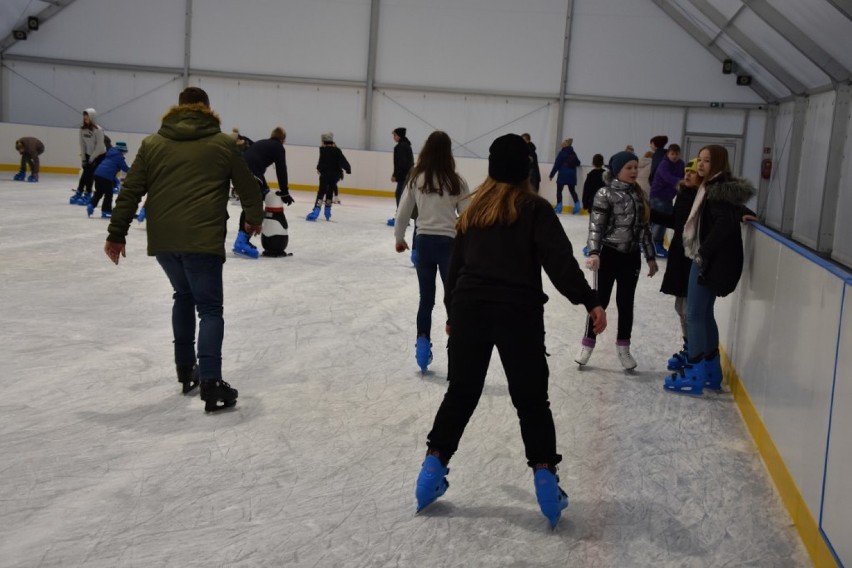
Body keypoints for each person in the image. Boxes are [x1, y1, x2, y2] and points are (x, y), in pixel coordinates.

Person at [414, 134, 606, 529]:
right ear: (525, 169)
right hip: (517, 313)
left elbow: (456, 268)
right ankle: (546, 481)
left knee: (461, 393)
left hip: (469, 308)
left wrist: (452, 312)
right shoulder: (533, 208)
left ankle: (430, 473)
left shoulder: (472, 210)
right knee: (532, 401)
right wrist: (590, 300)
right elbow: (560, 263)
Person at [103, 87, 264, 413]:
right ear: (207, 109)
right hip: (203, 240)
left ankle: (185, 369)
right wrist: (253, 220)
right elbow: (248, 186)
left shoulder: (152, 143)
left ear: (178, 109)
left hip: (164, 241)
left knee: (183, 295)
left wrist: (116, 233)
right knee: (209, 309)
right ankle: (210, 382)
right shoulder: (222, 144)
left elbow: (131, 190)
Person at [664, 145, 756, 396]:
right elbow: (730, 210)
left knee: (695, 314)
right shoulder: (714, 187)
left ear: (718, 164)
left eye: (707, 161)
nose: (701, 165)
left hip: (709, 261)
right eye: (700, 160)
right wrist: (743, 211)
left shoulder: (715, 189)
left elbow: (724, 221)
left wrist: (703, 252)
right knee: (704, 314)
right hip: (713, 260)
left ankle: (694, 370)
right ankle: (711, 370)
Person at [394, 131, 470, 374]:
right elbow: (467, 217)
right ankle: (456, 345)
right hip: (449, 245)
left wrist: (399, 238)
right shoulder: (456, 181)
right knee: (452, 297)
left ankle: (422, 345)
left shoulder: (418, 178)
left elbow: (403, 211)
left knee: (426, 299)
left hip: (423, 242)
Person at [576, 150, 658, 370]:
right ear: (617, 170)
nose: (633, 171)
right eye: (628, 167)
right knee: (599, 301)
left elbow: (645, 230)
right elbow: (596, 226)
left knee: (626, 303)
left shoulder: (640, 195)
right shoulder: (605, 193)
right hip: (608, 255)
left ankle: (624, 348)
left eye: (635, 167)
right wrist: (594, 253)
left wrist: (650, 257)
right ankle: (588, 344)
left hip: (631, 257)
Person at [649, 157, 701, 372]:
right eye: (686, 171)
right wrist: (649, 213)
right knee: (680, 307)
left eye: (692, 172)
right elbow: (676, 223)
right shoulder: (683, 196)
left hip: (692, 259)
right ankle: (689, 347)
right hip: (679, 257)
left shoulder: (703, 199)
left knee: (689, 310)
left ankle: (695, 353)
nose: (687, 174)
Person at [232, 126, 293, 258]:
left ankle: (243, 240)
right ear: (283, 140)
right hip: (249, 172)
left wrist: (264, 188)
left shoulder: (262, 143)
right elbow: (281, 169)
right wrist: (285, 192)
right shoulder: (278, 147)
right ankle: (241, 243)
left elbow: (255, 163)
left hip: (239, 170)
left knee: (250, 204)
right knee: (253, 205)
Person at [649, 143, 684, 258]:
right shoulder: (664, 164)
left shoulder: (681, 164)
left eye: (677, 154)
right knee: (659, 221)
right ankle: (654, 245)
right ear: (668, 154)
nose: (674, 156)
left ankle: (653, 243)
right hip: (658, 195)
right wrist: (679, 182)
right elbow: (666, 176)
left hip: (668, 197)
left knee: (664, 220)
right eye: (672, 154)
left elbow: (684, 176)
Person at [307, 132, 351, 222]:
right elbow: (343, 161)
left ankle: (316, 212)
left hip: (325, 175)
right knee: (330, 191)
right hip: (335, 175)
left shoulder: (323, 150)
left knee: (321, 192)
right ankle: (327, 211)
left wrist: (319, 169)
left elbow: (321, 162)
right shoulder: (337, 150)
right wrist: (348, 169)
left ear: (323, 141)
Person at [70, 108, 108, 205]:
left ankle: (88, 194)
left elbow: (99, 146)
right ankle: (79, 191)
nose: (86, 119)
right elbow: (82, 144)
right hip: (88, 154)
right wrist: (84, 159)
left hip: (99, 155)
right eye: (85, 118)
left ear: (92, 118)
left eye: (88, 118)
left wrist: (91, 159)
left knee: (90, 173)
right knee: (85, 172)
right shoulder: (82, 129)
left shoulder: (98, 130)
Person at [88, 141, 129, 219]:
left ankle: (91, 205)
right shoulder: (119, 157)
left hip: (97, 174)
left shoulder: (110, 153)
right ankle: (106, 211)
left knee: (98, 192)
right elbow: (126, 169)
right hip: (106, 177)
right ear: (122, 151)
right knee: (108, 194)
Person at [579, 153, 606, 256]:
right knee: (603, 226)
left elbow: (586, 190)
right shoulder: (606, 175)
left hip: (593, 204)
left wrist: (585, 203)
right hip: (605, 205)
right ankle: (600, 245)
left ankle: (590, 246)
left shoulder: (590, 175)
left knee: (593, 226)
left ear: (593, 163)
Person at [388, 127, 414, 226]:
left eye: (395, 135)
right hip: (406, 175)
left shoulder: (401, 146)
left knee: (400, 195)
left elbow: (401, 163)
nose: (393, 137)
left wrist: (395, 175)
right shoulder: (405, 145)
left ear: (399, 136)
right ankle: (402, 217)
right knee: (401, 195)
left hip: (404, 176)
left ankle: (402, 218)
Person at [548, 138, 581, 214]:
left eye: (563, 142)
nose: (561, 143)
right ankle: (577, 206)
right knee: (572, 191)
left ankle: (559, 208)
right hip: (571, 175)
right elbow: (578, 163)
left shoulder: (562, 153)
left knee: (559, 191)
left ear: (566, 144)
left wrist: (551, 174)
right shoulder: (573, 153)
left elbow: (557, 165)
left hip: (563, 174)